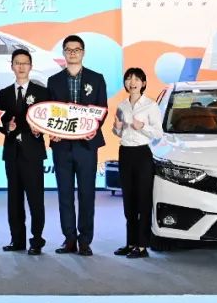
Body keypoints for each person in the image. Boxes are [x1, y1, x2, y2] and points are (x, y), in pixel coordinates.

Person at [47, 34, 109, 256]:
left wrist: (93, 128)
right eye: (68, 49)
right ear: (64, 53)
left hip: (86, 146)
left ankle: (85, 240)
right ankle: (69, 239)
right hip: (62, 146)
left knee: (86, 194)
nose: (72, 53)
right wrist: (52, 131)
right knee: (64, 194)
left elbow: (102, 108)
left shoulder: (96, 78)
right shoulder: (53, 81)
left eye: (77, 49)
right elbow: (49, 111)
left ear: (83, 52)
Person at [0, 49, 50, 255]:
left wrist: (40, 130)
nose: (21, 67)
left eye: (25, 63)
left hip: (33, 152)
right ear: (11, 66)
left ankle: (37, 240)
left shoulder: (42, 92)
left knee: (35, 199)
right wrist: (7, 128)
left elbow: (49, 120)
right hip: (12, 152)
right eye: (17, 63)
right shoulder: (3, 94)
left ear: (31, 66)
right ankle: (17, 240)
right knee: (14, 199)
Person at [112, 67, 163, 259]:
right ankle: (131, 243)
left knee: (143, 200)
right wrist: (116, 128)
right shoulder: (122, 105)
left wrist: (142, 127)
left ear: (143, 83)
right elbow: (119, 133)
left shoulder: (151, 105)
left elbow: (158, 133)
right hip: (125, 153)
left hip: (142, 153)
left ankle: (142, 246)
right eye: (128, 79)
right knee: (129, 200)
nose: (132, 82)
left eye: (136, 79)